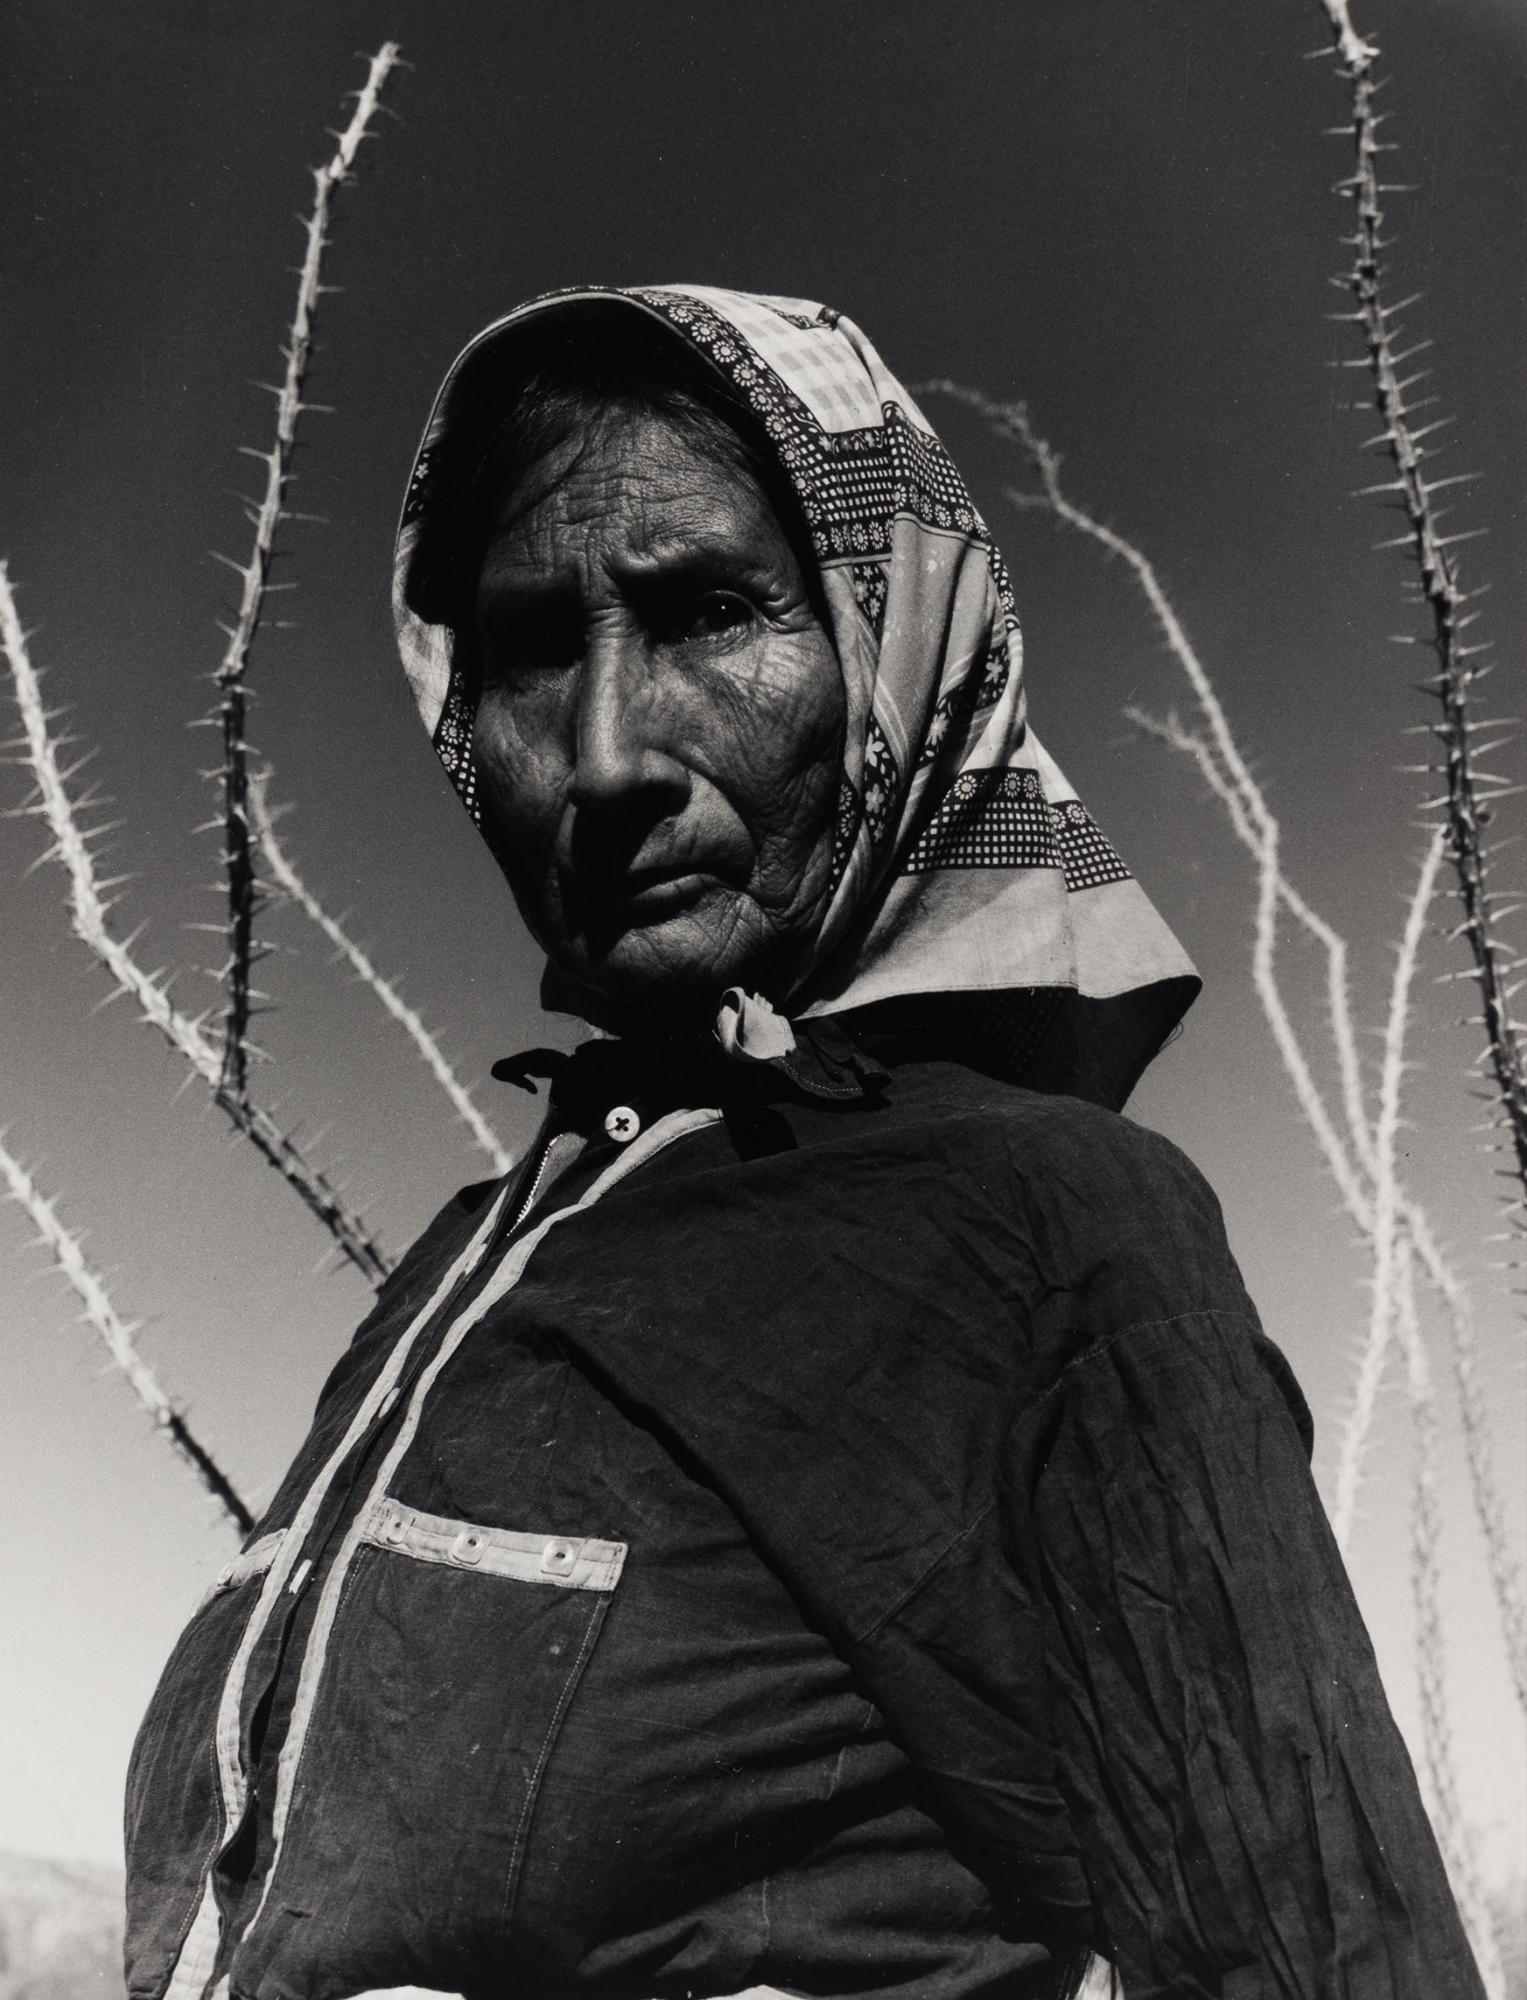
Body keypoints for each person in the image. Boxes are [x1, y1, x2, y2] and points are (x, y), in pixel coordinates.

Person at [124, 286, 1483, 2000]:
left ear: (887, 661)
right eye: (533, 650)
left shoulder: (1047, 1236)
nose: (607, 755)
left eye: (707, 613)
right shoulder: (465, 1270)